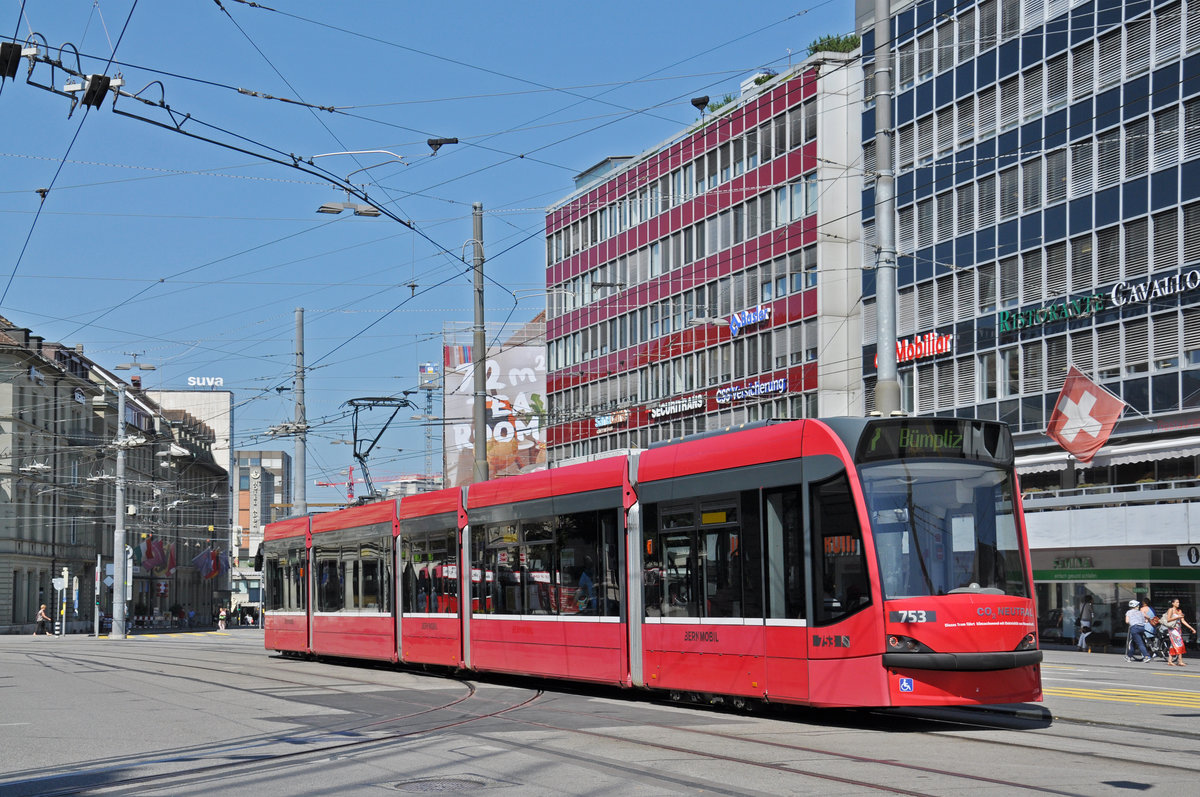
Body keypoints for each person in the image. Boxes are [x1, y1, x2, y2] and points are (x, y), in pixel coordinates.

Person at [1163, 599, 1197, 666]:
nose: (1178, 603)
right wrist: (1177, 617)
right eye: (1177, 602)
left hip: (1178, 629)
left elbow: (1183, 621)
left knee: (1173, 644)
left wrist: (1191, 628)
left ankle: (1170, 660)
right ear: (1173, 603)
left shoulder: (1179, 611)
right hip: (1172, 629)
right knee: (1179, 643)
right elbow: (1168, 619)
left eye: (1178, 602)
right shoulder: (1171, 610)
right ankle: (1180, 660)